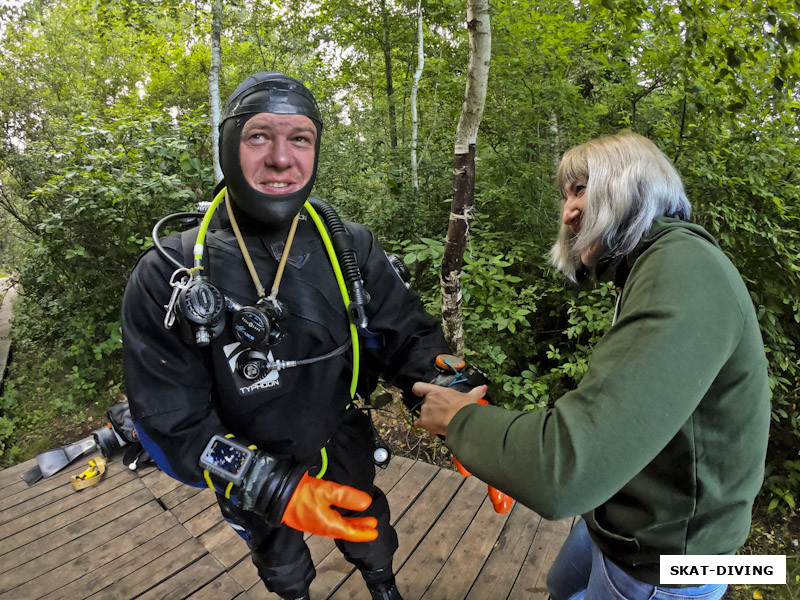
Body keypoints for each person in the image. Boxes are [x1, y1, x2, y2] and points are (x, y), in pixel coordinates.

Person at [121, 72, 466, 600]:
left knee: (370, 533)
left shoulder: (350, 246)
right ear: (228, 145)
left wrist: (461, 397)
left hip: (343, 437)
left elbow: (409, 338)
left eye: (299, 138)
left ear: (315, 150)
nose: (282, 159)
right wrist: (270, 486)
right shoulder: (168, 273)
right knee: (281, 563)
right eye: (259, 136)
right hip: (249, 465)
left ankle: (383, 586)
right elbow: (169, 421)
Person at [412, 131, 770, 600]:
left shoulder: (684, 270)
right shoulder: (650, 267)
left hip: (667, 561)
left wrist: (458, 418)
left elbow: (567, 471)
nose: (566, 213)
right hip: (623, 516)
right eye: (565, 196)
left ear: (632, 182)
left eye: (580, 189)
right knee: (563, 586)